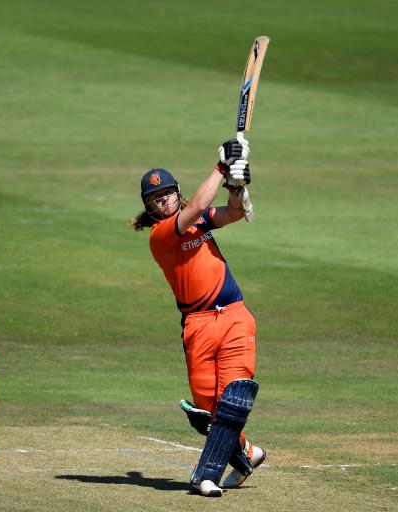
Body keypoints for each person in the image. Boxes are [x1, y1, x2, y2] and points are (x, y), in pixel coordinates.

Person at [129, 138, 265, 497]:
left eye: (169, 194)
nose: (165, 200)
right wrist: (221, 168)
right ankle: (248, 452)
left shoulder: (200, 220)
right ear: (150, 207)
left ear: (177, 193)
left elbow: (232, 212)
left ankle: (206, 475)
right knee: (207, 413)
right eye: (156, 199)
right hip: (198, 326)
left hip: (234, 316)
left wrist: (237, 186)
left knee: (234, 399)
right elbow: (203, 201)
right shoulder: (160, 236)